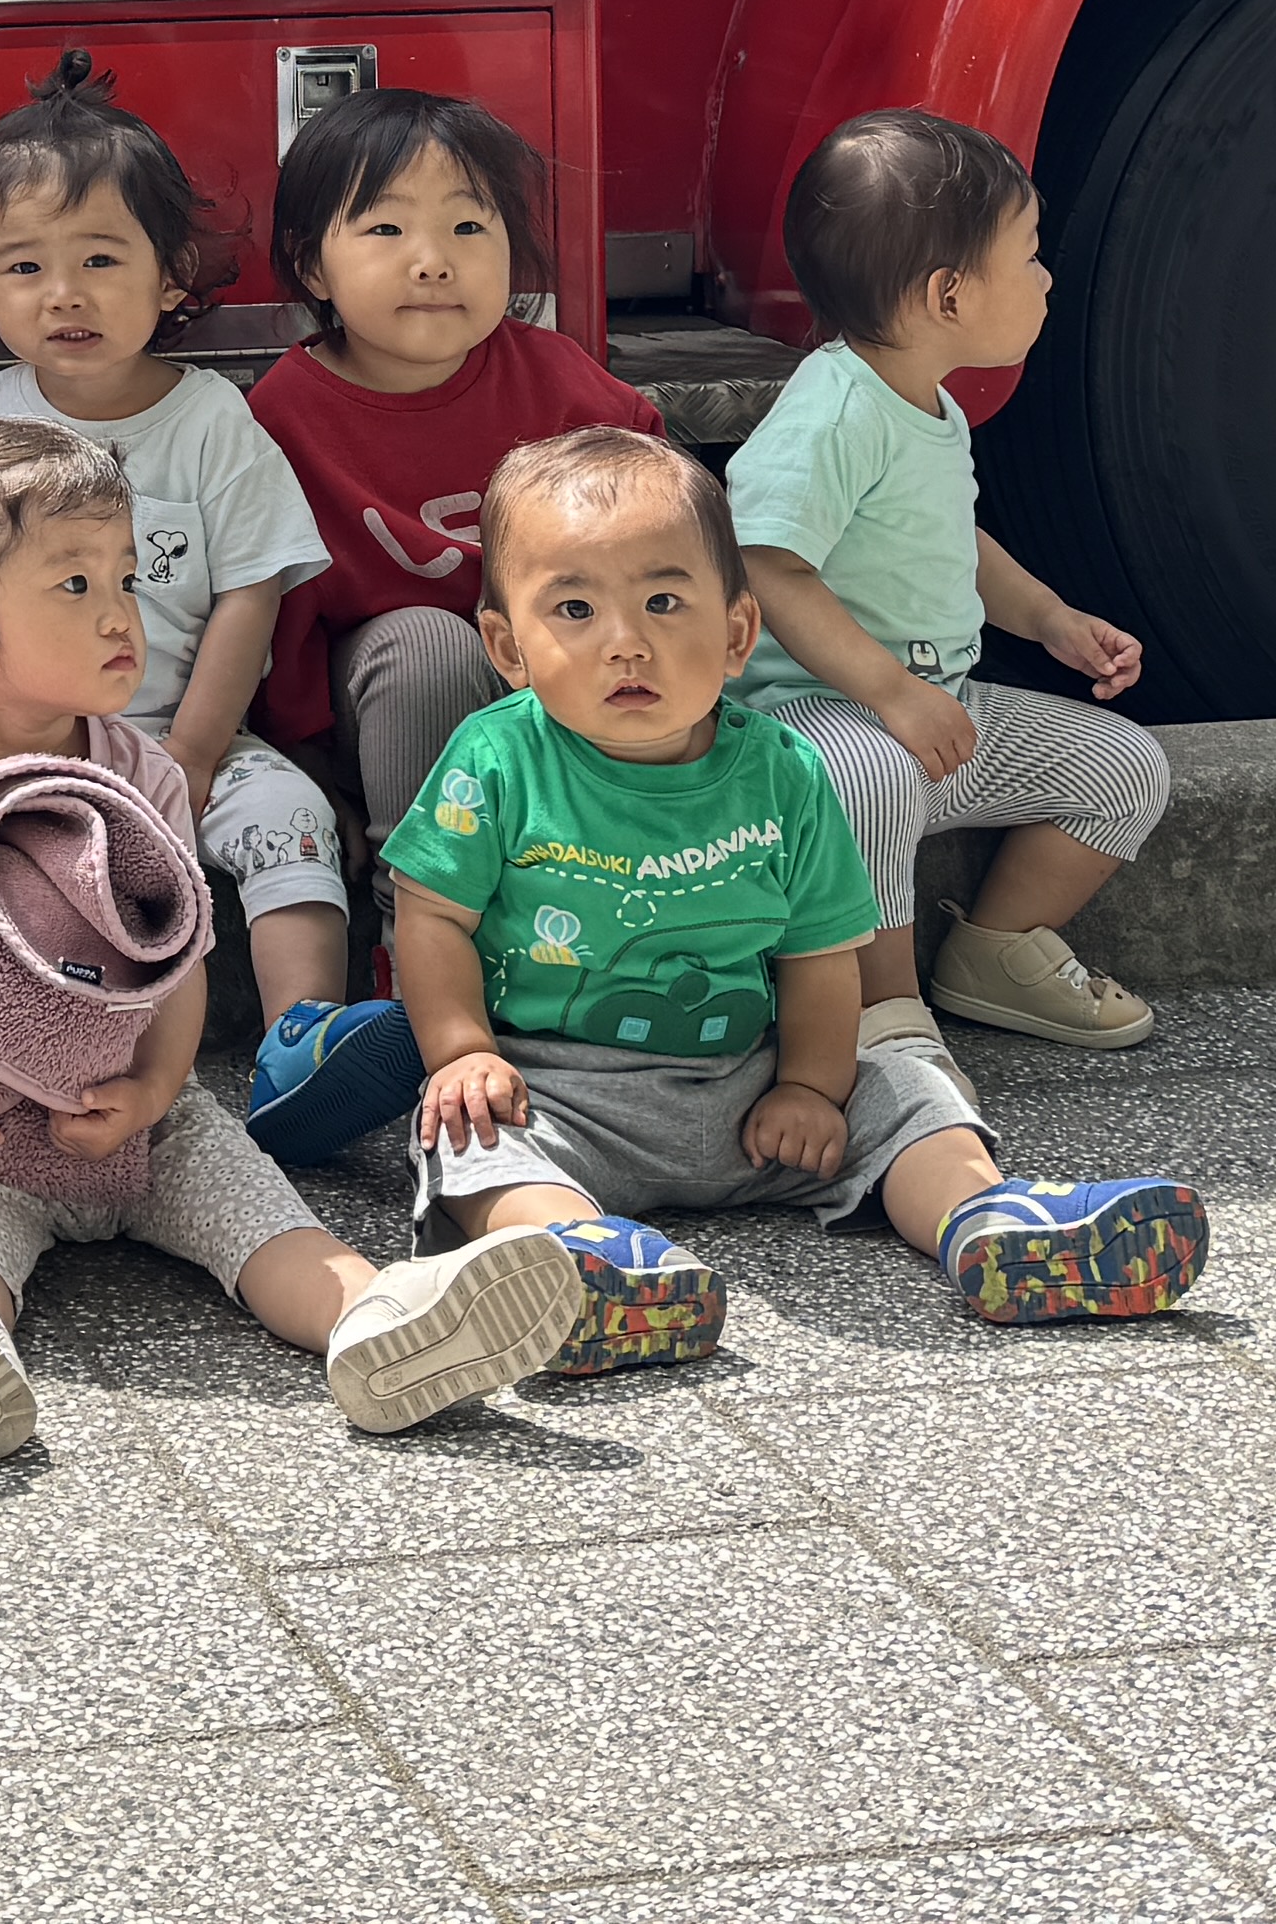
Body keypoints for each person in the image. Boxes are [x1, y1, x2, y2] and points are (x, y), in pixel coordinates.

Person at [0, 416, 587, 1437]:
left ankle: (380, 1321)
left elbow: (182, 955)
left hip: (141, 1115)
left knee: (257, 1212)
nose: (124, 613)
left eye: (128, 578)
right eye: (75, 585)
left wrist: (160, 1087)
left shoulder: (141, 770)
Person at [392, 423, 1207, 1370]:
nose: (626, 644)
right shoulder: (493, 761)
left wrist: (812, 1086)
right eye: (573, 610)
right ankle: (575, 1262)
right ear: (508, 646)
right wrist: (464, 1053)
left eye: (664, 600)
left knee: (904, 1085)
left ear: (738, 633)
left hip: (754, 1087)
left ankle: (988, 1219)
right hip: (564, 1092)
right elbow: (434, 916)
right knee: (464, 1142)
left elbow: (821, 954)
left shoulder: (783, 770)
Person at [0, 58, 409, 1162]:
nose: (67, 294)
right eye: (27, 267)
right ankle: (14, 1040)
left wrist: (190, 753)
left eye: (102, 259)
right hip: (24, 747)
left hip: (187, 736)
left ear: (170, 272)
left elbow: (251, 590)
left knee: (285, 812)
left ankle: (303, 1039)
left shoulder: (212, 424)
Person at [724, 109, 1171, 1069]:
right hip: (811, 724)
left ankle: (996, 950)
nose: (1047, 276)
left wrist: (1051, 619)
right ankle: (877, 1006)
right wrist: (888, 692)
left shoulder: (926, 402)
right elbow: (765, 560)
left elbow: (950, 539)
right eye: (1030, 256)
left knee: (1125, 767)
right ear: (950, 295)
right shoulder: (834, 406)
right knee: (874, 775)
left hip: (935, 710)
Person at [250, 83, 663, 838]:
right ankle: (416, 919)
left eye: (469, 225)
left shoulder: (555, 374)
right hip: (393, 708)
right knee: (426, 646)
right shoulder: (282, 418)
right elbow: (278, 621)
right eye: (386, 229)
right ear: (313, 267)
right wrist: (304, 767)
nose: (434, 261)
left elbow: (666, 521)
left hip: (553, 681)